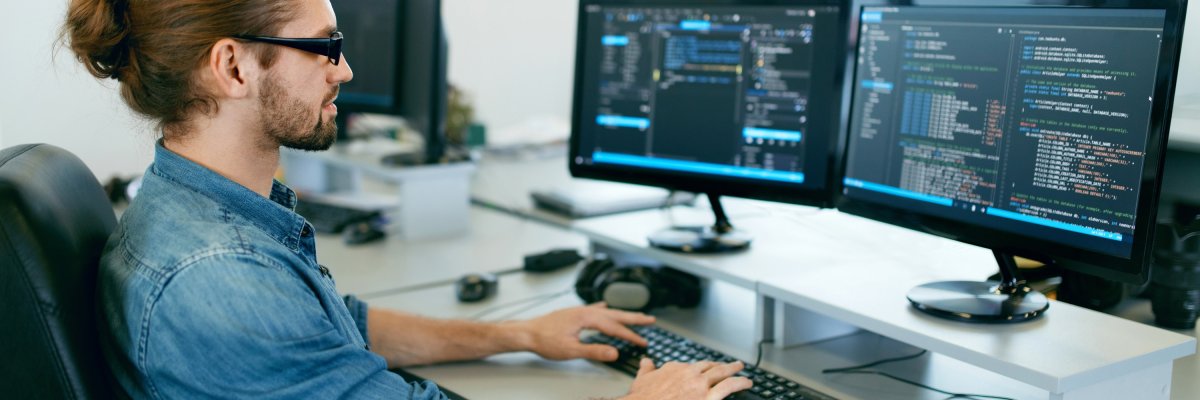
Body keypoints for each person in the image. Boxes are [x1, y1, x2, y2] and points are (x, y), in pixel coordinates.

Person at [62, 0, 753, 398]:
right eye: (324, 47)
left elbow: (340, 329)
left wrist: (518, 335)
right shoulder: (221, 277)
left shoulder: (196, 206)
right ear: (233, 66)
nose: (346, 68)